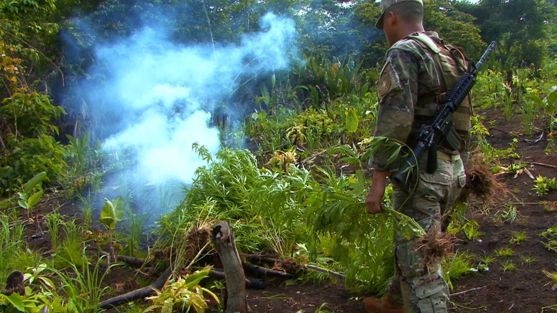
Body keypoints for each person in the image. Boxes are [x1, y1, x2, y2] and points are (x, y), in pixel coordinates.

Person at [364, 0, 472, 312]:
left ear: (392, 17)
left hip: (421, 173)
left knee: (422, 265)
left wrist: (378, 181)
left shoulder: (404, 52)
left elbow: (395, 121)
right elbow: (464, 118)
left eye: (384, 24)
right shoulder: (450, 53)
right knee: (415, 245)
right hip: (452, 169)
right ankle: (395, 303)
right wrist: (461, 165)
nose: (384, 31)